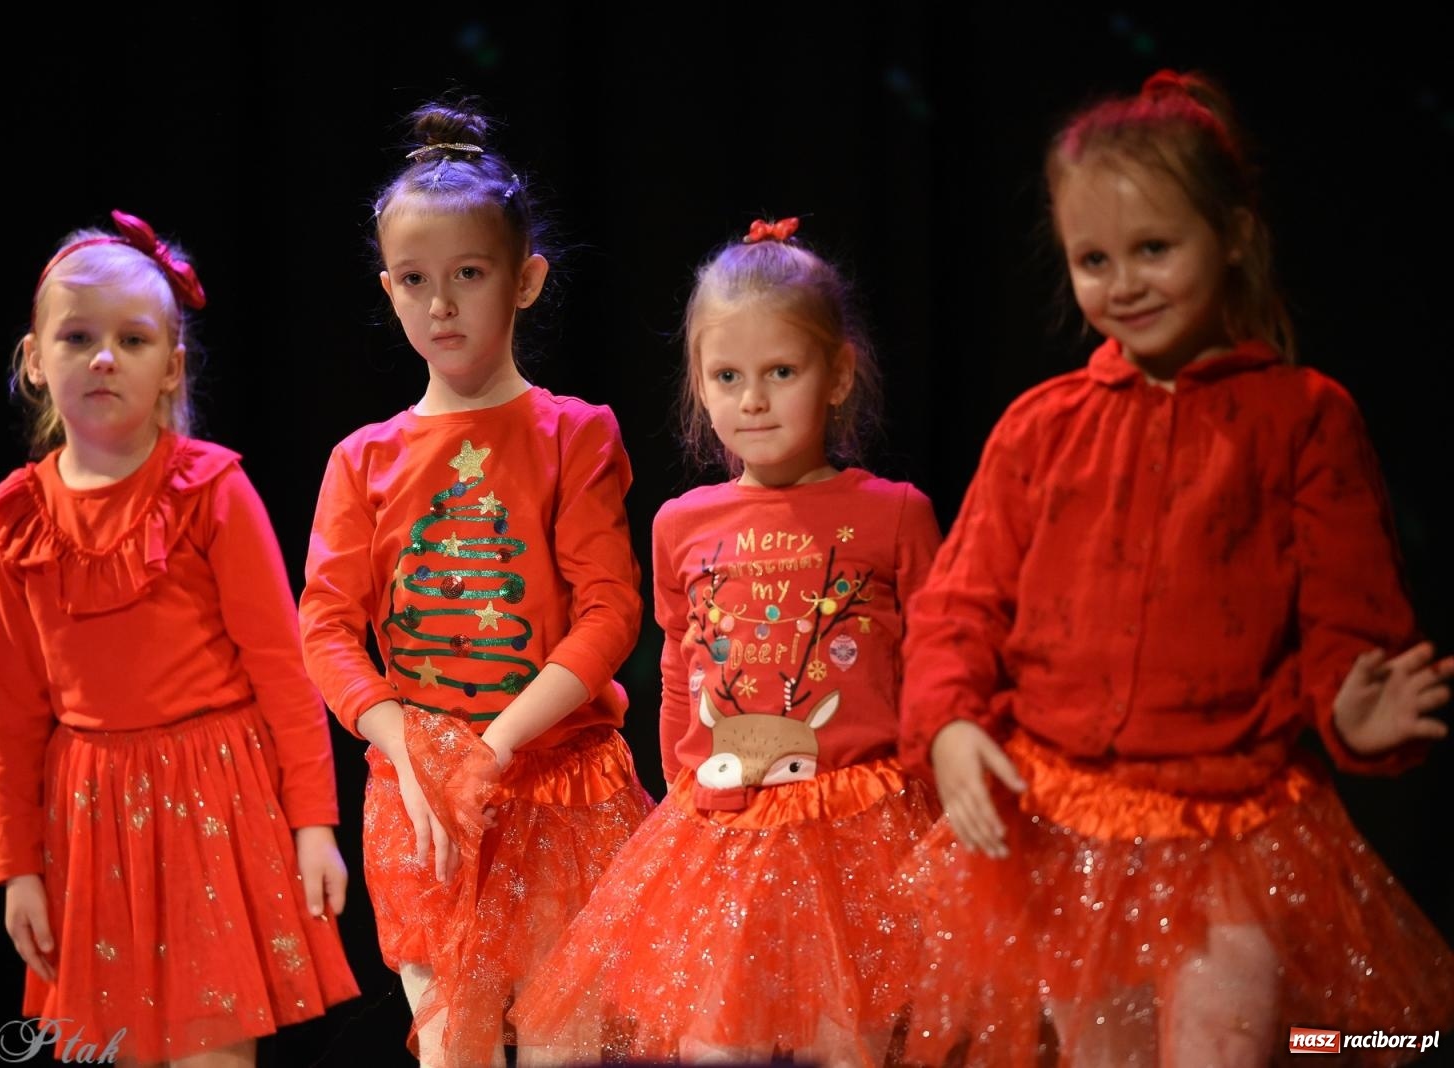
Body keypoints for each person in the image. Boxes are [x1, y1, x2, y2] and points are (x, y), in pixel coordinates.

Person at [898, 71, 1454, 1066]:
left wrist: (1351, 709)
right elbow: (959, 605)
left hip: (1229, 826)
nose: (1124, 282)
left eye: (1154, 248)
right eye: (1093, 259)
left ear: (1232, 234)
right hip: (1065, 823)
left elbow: (1346, 619)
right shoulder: (1040, 428)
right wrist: (945, 723)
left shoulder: (1303, 418)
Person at [512, 218, 941, 1066]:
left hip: (856, 825)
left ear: (838, 374)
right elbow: (677, 663)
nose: (754, 398)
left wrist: (929, 811)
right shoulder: (680, 524)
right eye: (729, 376)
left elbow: (936, 663)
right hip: (723, 827)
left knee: (845, 1037)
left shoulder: (893, 512)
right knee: (714, 1038)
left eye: (782, 372)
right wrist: (682, 785)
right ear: (699, 388)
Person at [299, 103, 651, 1066]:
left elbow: (611, 610)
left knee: (566, 1045)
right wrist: (402, 739)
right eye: (415, 280)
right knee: (452, 1046)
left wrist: (495, 744)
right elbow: (326, 628)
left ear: (525, 278)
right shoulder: (362, 460)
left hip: (556, 788)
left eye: (469, 274)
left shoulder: (573, 434)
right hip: (423, 801)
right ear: (389, 289)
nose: (441, 303)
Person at [0, 209, 359, 1067]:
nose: (104, 357)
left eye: (133, 338)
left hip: (209, 803)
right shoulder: (16, 521)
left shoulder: (211, 492)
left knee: (210, 1051)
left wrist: (313, 825)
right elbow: (11, 713)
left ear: (171, 368)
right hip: (87, 815)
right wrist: (19, 868)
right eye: (77, 336)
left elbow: (283, 671)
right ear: (36, 362)